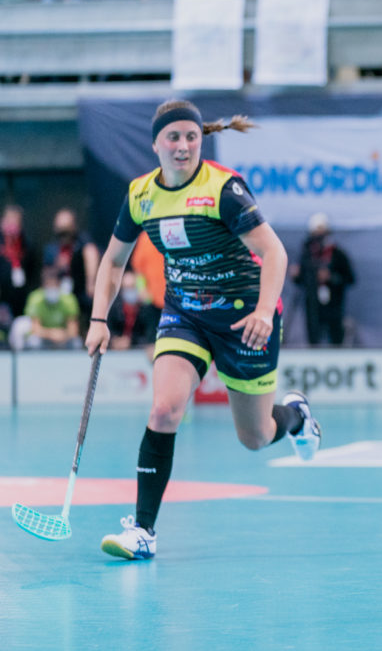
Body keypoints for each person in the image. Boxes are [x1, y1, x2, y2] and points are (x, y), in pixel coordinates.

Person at [86, 99, 321, 561]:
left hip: (243, 318)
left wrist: (264, 310)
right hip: (186, 313)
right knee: (163, 411)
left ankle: (295, 416)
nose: (183, 145)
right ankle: (144, 531)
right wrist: (98, 319)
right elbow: (113, 261)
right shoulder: (140, 195)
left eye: (191, 137)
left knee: (255, 437)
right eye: (173, 137)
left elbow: (274, 253)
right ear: (155, 144)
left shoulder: (222, 189)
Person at [291, 213, 356, 347]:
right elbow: (302, 281)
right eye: (315, 233)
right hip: (313, 306)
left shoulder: (337, 254)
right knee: (313, 338)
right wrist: (297, 275)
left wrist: (331, 277)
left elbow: (350, 279)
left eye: (322, 233)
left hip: (334, 305)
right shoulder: (307, 254)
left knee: (336, 338)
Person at [43, 208, 100, 314]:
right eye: (60, 231)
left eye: (66, 230)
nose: (63, 235)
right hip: (59, 292)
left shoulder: (82, 241)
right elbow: (46, 274)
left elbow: (91, 253)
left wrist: (91, 283)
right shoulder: (51, 248)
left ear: (73, 227)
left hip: (80, 289)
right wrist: (57, 267)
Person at [23, 268, 82, 349]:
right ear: (43, 286)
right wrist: (52, 334)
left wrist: (62, 335)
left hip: (63, 338)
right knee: (33, 341)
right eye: (49, 285)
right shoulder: (35, 298)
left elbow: (73, 330)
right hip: (44, 338)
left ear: (59, 284)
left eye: (54, 285)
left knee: (76, 342)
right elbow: (35, 329)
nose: (52, 287)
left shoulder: (69, 299)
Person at [107, 270, 160, 350]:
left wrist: (131, 341)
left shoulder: (146, 310)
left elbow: (148, 335)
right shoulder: (113, 308)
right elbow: (108, 328)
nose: (130, 291)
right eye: (127, 288)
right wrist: (114, 340)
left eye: (132, 287)